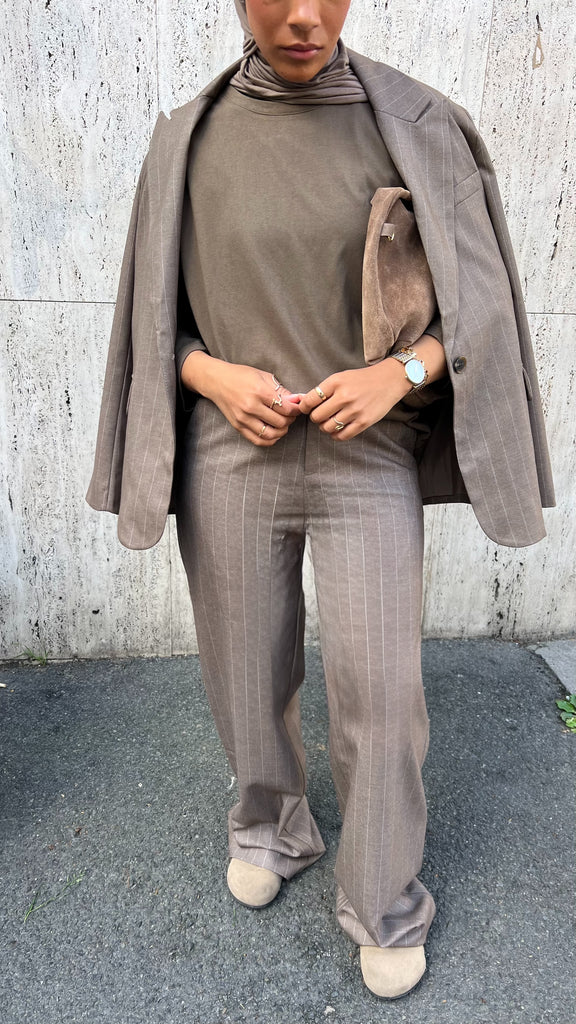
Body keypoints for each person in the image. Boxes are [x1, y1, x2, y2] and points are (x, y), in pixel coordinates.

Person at [87, 0, 555, 1000]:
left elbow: (483, 306)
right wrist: (210, 375)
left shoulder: (419, 124)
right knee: (244, 672)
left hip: (367, 455)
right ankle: (269, 826)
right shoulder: (188, 138)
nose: (303, 17)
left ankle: (383, 898)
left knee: (381, 692)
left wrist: (403, 372)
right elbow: (151, 318)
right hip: (232, 451)